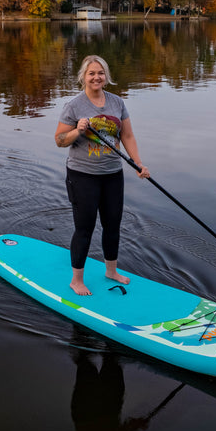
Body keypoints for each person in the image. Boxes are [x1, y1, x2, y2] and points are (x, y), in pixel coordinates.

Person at [55, 55, 150, 296]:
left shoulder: (117, 102)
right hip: (82, 175)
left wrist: (138, 163)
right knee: (84, 227)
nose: (96, 77)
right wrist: (78, 130)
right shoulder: (74, 106)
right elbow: (59, 140)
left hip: (112, 174)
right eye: (91, 73)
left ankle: (111, 270)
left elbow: (127, 136)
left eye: (100, 73)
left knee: (112, 225)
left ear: (105, 76)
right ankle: (77, 280)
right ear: (83, 77)